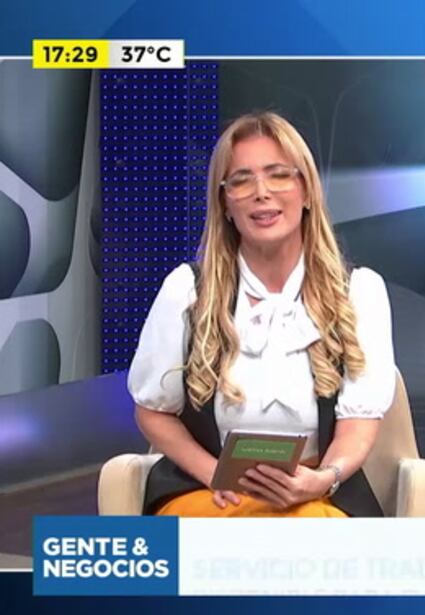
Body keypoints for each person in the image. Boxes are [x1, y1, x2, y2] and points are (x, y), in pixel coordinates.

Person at [128, 111, 396, 517]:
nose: (261, 192)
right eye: (241, 180)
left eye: (279, 175)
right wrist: (214, 474)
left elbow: (358, 426)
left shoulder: (359, 292)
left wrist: (324, 479)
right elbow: (152, 412)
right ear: (225, 203)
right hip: (210, 492)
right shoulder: (186, 290)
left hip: (314, 493)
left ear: (307, 192)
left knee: (313, 533)